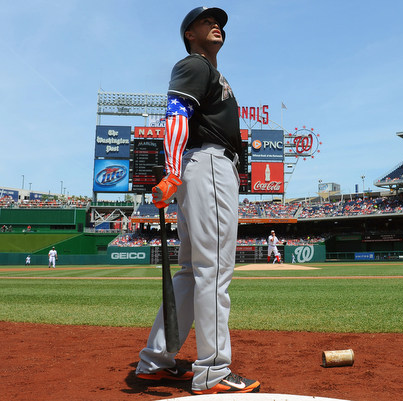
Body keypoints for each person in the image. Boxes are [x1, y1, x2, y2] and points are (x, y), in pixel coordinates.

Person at [135, 6, 260, 395]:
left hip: (201, 166)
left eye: (219, 21)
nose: (217, 25)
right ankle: (214, 371)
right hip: (206, 164)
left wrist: (177, 172)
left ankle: (156, 361)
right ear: (190, 33)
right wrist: (171, 170)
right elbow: (175, 115)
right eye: (208, 21)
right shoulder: (194, 64)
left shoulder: (209, 71)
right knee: (214, 271)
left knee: (192, 271)